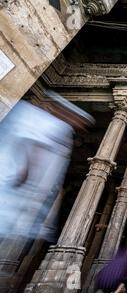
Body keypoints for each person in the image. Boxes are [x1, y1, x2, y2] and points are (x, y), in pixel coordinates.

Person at [0, 95, 94, 241]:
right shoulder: (44, 121)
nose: (79, 125)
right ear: (61, 110)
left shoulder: (63, 129)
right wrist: (25, 170)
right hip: (14, 182)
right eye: (77, 119)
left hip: (25, 191)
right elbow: (31, 143)